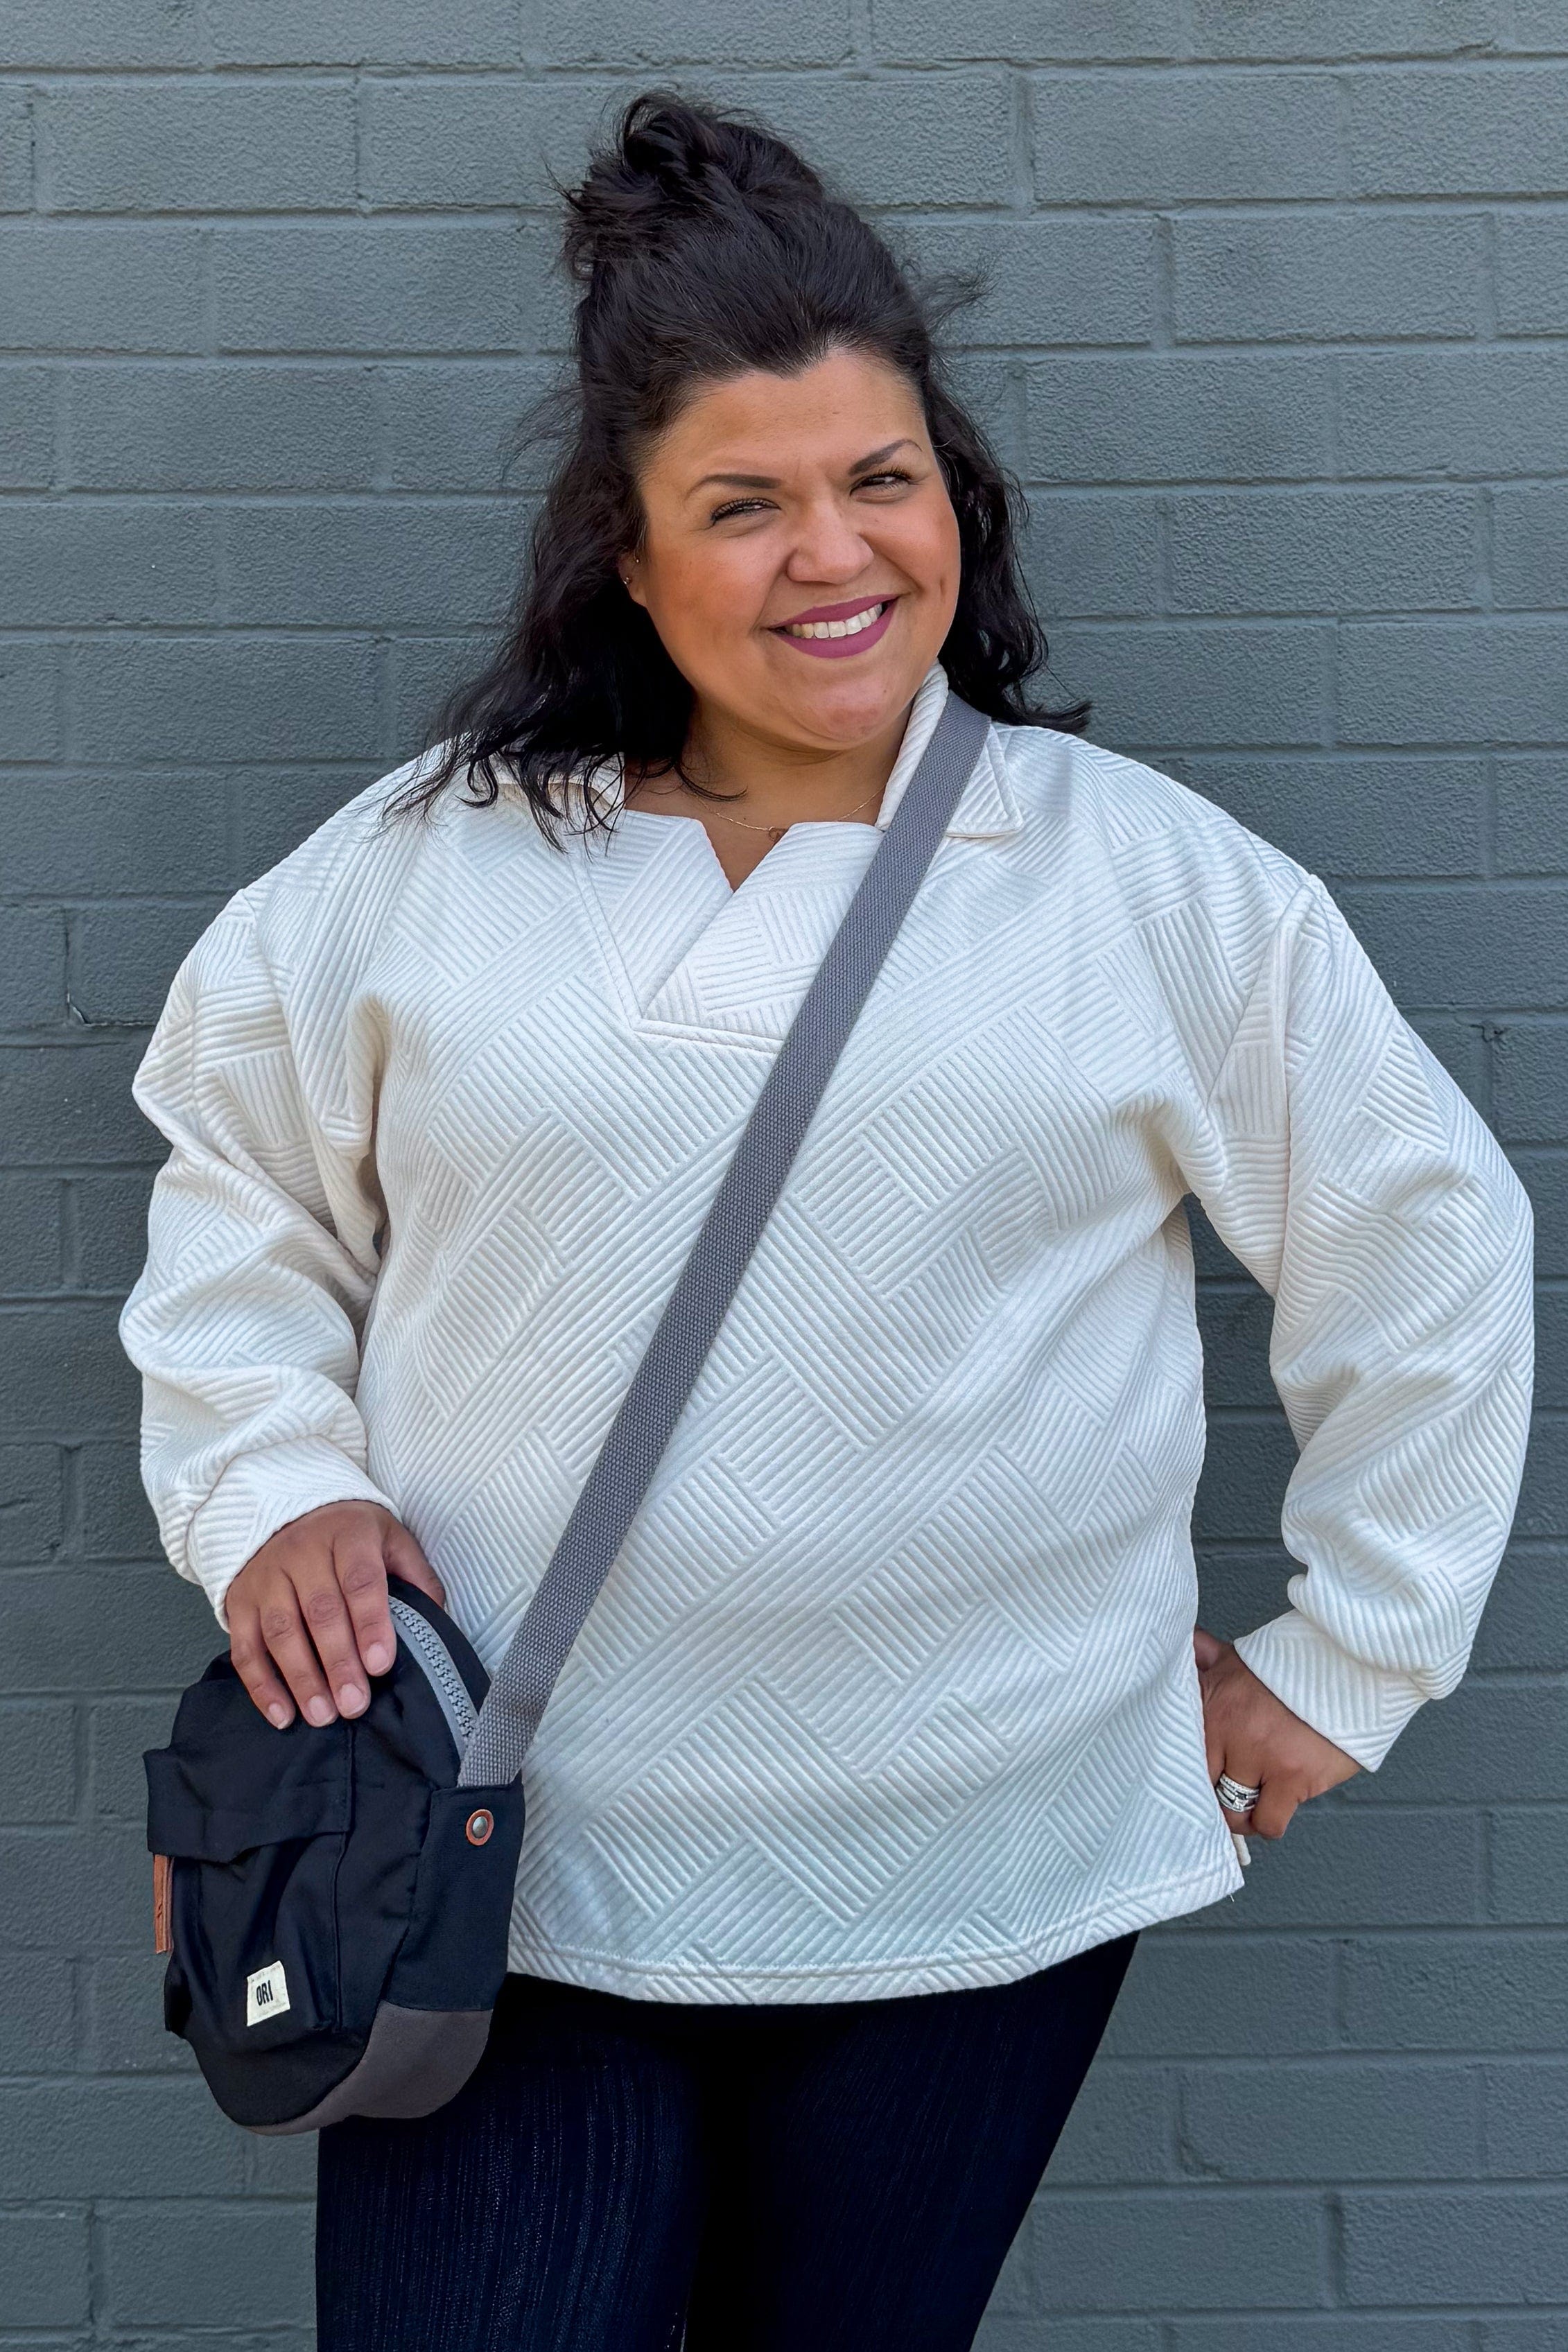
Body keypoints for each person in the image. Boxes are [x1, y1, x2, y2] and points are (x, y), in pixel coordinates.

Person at [119, 92, 1535, 2352]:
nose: (831, 555)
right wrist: (270, 1472)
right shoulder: (429, 866)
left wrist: (1347, 1658)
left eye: (881, 482)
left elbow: (1426, 1241)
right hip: (506, 1872)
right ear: (632, 555)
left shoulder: (1144, 883)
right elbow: (245, 1181)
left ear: (953, 502)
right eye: (742, 504)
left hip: (982, 1882)